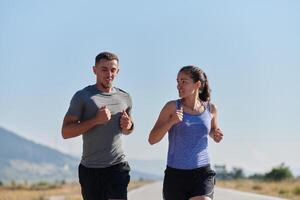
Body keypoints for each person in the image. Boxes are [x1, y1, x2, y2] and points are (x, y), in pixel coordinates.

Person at [61, 51, 134, 200]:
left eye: (113, 70)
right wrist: (95, 120)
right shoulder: (83, 96)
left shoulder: (124, 97)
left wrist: (129, 126)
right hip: (91, 170)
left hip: (117, 166)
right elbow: (66, 132)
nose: (109, 74)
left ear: (118, 71)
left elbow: (127, 129)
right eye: (104, 69)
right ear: (94, 70)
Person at [148, 65, 223, 200]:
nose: (179, 85)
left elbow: (212, 130)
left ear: (197, 84)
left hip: (202, 172)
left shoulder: (210, 108)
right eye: (178, 81)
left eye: (184, 81)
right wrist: (171, 122)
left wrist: (215, 134)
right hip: (176, 175)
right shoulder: (171, 107)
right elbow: (152, 139)